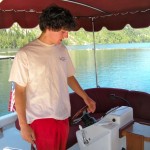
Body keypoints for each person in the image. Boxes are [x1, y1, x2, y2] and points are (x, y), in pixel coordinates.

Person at [9, 5, 96, 150]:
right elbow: (19, 92)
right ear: (49, 27)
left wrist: (85, 97)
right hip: (41, 119)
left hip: (63, 116)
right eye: (63, 32)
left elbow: (69, 76)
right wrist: (23, 125)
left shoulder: (61, 49)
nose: (66, 36)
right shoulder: (25, 54)